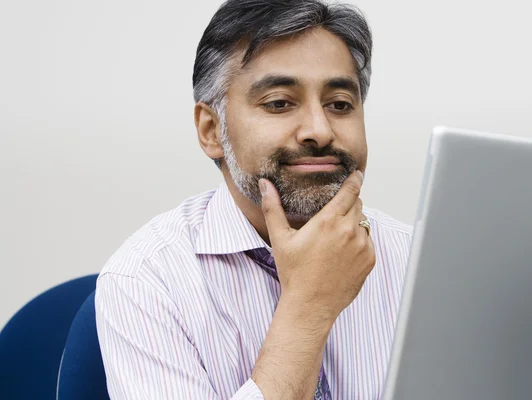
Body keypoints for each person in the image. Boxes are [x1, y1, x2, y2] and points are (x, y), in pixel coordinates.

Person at [95, 0, 412, 398]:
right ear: (212, 130)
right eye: (279, 103)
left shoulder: (420, 262)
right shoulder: (147, 280)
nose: (319, 130)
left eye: (339, 105)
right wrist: (308, 308)